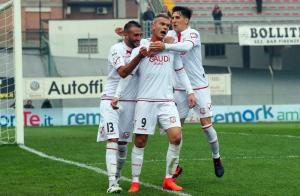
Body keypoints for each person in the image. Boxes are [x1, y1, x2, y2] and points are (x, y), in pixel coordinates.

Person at [112, 14, 196, 193]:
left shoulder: (170, 49)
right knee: (141, 141)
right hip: (145, 102)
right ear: (154, 26)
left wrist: (190, 91)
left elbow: (181, 73)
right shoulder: (140, 49)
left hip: (167, 102)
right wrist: (117, 95)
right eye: (162, 24)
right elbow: (128, 76)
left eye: (168, 25)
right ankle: (135, 181)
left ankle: (168, 178)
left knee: (177, 137)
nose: (166, 27)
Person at [149, 6, 224, 179]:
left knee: (206, 126)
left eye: (176, 18)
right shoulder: (171, 35)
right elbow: (155, 41)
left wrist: (166, 45)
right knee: (175, 129)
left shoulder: (193, 34)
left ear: (186, 20)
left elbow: (185, 47)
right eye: (172, 18)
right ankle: (174, 167)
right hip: (180, 88)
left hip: (199, 87)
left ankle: (216, 157)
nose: (173, 21)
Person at [96, 21, 147, 193]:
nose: (139, 38)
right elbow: (123, 72)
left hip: (131, 101)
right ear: (126, 35)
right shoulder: (115, 49)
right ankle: (112, 183)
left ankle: (117, 175)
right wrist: (139, 56)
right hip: (111, 100)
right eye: (135, 35)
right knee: (113, 140)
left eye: (140, 35)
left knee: (123, 143)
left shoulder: (141, 47)